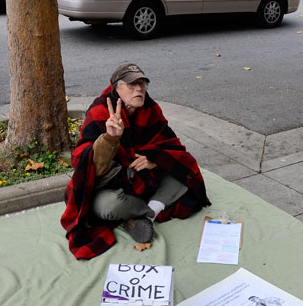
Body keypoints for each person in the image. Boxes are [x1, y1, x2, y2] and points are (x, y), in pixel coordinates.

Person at [61, 62, 210, 259]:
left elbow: (172, 145)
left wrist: (155, 160)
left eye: (142, 84)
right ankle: (150, 211)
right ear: (117, 88)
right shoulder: (99, 111)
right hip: (112, 185)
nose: (139, 89)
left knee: (185, 172)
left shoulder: (151, 109)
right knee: (108, 207)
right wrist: (110, 138)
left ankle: (142, 215)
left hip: (145, 177)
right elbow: (86, 165)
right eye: (132, 85)